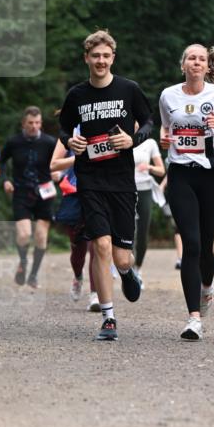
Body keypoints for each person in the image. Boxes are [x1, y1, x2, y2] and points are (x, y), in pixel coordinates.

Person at [59, 29, 153, 341]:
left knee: (121, 256)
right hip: (90, 179)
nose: (100, 61)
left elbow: (150, 123)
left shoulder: (129, 89)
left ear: (113, 58)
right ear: (87, 58)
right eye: (95, 56)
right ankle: (108, 318)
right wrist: (70, 141)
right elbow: (63, 129)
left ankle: (127, 273)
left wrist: (133, 138)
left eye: (106, 56)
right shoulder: (77, 95)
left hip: (123, 181)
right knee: (99, 245)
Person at [159, 43, 214, 340]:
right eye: (190, 58)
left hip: (211, 177)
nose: (196, 63)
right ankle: (193, 317)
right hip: (180, 175)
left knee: (206, 248)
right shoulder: (168, 95)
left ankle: (207, 286)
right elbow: (165, 128)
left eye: (201, 59)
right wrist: (164, 139)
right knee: (191, 245)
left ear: (208, 66)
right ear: (182, 64)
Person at [0, 106, 57, 289]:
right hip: (21, 192)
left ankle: (33, 275)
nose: (34, 126)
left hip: (44, 192)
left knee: (40, 236)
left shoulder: (49, 142)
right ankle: (23, 263)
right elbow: (0, 161)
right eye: (30, 123)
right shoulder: (14, 142)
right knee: (24, 234)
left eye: (37, 123)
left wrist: (59, 173)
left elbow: (63, 160)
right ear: (23, 123)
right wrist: (5, 180)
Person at [50, 136, 98, 308]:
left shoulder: (103, 123)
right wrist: (77, 157)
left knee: (97, 246)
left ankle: (96, 294)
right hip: (74, 193)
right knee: (78, 249)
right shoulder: (69, 132)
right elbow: (54, 165)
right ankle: (78, 276)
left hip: (98, 192)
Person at [132, 134, 165, 287]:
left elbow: (161, 170)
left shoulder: (150, 143)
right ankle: (124, 267)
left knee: (143, 232)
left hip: (145, 190)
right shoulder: (120, 138)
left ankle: (138, 269)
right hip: (126, 190)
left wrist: (149, 167)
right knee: (127, 231)